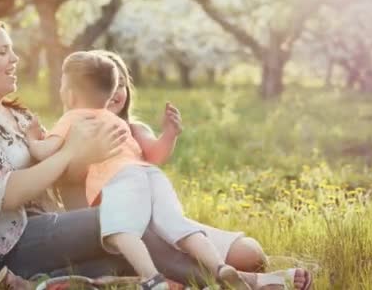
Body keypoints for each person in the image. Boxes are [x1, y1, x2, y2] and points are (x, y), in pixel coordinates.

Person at [0, 17, 311, 289]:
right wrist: (73, 153)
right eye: (3, 52)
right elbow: (9, 194)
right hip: (2, 249)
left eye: (13, 50)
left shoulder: (17, 115)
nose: (15, 59)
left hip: (44, 232)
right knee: (122, 220)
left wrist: (86, 156)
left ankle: (219, 274)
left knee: (121, 251)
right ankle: (244, 279)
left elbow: (62, 178)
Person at [25, 51, 250, 289]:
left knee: (120, 231)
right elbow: (151, 159)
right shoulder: (118, 122)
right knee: (175, 224)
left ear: (69, 94)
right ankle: (219, 267)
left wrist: (31, 138)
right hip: (148, 176)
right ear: (109, 91)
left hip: (124, 180)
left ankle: (152, 278)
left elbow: (43, 152)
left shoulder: (74, 120)